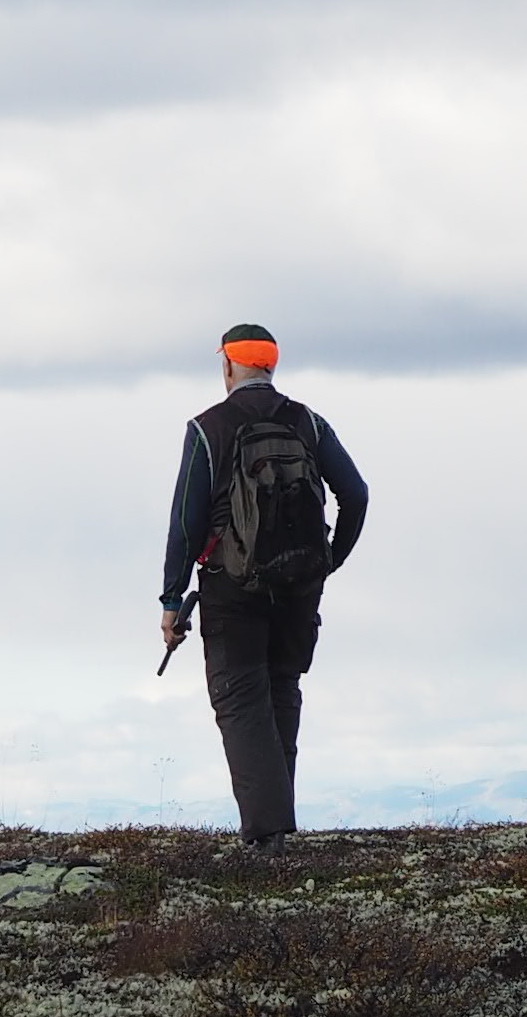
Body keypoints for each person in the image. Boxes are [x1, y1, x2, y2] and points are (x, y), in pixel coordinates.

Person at [158, 324, 369, 845]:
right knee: (281, 692)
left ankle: (268, 838)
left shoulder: (208, 428)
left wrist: (170, 600)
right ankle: (278, 834)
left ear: (227, 366)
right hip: (301, 585)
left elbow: (186, 522)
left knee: (240, 699)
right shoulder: (309, 423)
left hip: (232, 588)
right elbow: (357, 495)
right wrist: (328, 561)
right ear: (271, 365)